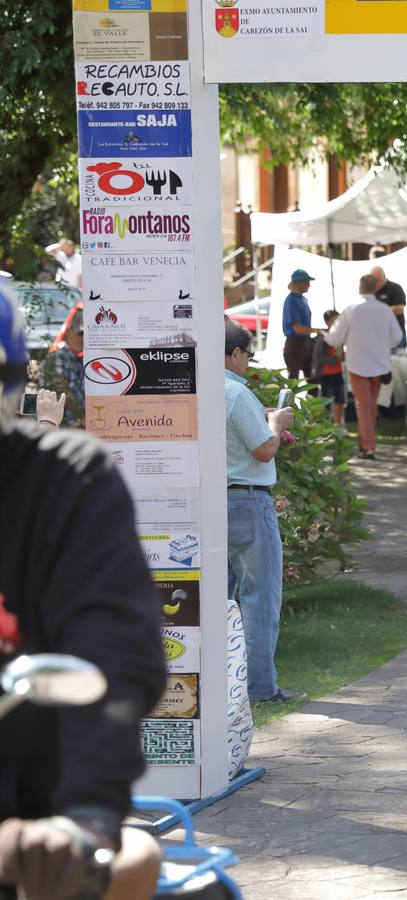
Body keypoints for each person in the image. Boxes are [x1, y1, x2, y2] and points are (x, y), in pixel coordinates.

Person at [0, 278, 164, 900]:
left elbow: (112, 652)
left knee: (130, 861)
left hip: (36, 812)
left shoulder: (66, 481)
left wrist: (86, 815)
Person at [223, 320, 304, 704]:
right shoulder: (235, 393)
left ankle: (220, 681)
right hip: (248, 499)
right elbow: (263, 450)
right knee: (259, 598)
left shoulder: (199, 388)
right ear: (235, 353)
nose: (248, 363)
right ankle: (258, 687)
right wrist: (273, 423)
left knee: (218, 599)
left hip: (213, 501)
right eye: (248, 355)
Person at [325, 275, 404, 460]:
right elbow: (396, 338)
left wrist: (325, 334)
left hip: (358, 363)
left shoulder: (351, 310)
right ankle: (365, 442)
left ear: (360, 288)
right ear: (376, 288)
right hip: (379, 363)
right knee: (370, 404)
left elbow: (335, 338)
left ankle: (368, 445)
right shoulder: (385, 310)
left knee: (364, 405)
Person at [39, 307, 85, 429]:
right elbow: (60, 392)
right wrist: (82, 418)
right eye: (81, 334)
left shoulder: (79, 359)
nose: (84, 338)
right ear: (69, 332)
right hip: (62, 426)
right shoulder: (59, 357)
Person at [280, 269, 320, 380]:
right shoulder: (290, 301)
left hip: (305, 343)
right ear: (299, 283)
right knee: (294, 379)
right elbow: (297, 328)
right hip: (294, 344)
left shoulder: (303, 299)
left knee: (311, 377)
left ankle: (313, 395)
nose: (309, 285)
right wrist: (317, 330)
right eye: (307, 282)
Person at [312, 309, 347, 426]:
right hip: (326, 373)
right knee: (326, 399)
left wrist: (342, 357)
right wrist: (334, 360)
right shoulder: (323, 337)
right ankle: (325, 424)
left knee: (340, 398)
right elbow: (319, 356)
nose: (337, 322)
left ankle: (337, 423)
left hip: (338, 371)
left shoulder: (339, 336)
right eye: (334, 320)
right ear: (327, 322)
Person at [370, 265, 407, 345]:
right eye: (373, 280)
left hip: (396, 335)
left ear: (383, 276)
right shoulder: (371, 291)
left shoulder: (395, 288)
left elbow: (399, 309)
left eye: (377, 280)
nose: (375, 282)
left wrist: (377, 311)